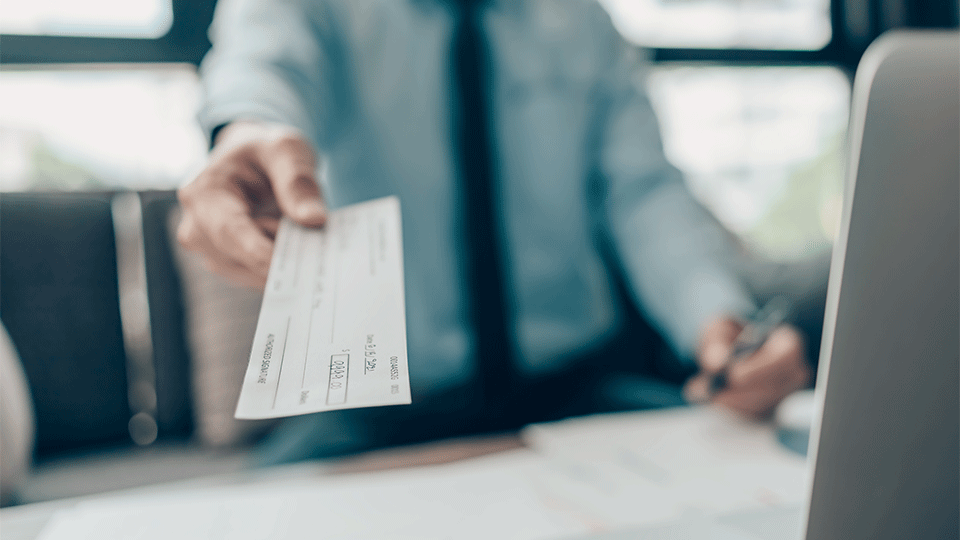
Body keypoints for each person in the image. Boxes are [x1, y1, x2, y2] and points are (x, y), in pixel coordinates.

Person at [177, 0, 812, 462]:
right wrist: (244, 132)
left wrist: (718, 321)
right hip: (375, 411)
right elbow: (259, 73)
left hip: (575, 387)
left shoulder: (582, 21)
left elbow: (643, 192)